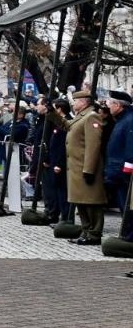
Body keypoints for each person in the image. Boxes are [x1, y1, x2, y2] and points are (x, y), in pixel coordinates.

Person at [65, 88, 108, 245]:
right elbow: (66, 125)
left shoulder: (92, 117)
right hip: (77, 167)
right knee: (81, 202)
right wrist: (52, 113)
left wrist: (89, 169)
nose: (74, 103)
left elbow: (93, 146)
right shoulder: (80, 116)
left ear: (83, 102)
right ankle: (86, 230)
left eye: (76, 101)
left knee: (91, 202)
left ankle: (94, 233)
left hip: (86, 167)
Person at [104, 91, 133, 230]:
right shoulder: (122, 119)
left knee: (127, 205)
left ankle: (129, 236)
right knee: (123, 205)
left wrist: (128, 168)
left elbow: (130, 145)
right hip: (119, 171)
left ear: (118, 105)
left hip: (123, 173)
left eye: (110, 103)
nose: (108, 106)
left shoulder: (129, 120)